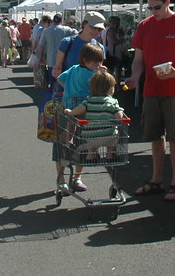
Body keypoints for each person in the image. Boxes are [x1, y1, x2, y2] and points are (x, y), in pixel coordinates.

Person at [126, 0, 175, 203]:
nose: (153, 12)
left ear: (168, 3)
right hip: (152, 90)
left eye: (157, 7)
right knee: (155, 137)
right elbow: (138, 60)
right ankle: (156, 179)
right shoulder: (144, 26)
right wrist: (134, 77)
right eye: (150, 8)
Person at [55, 42, 105, 193]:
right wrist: (103, 73)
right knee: (85, 139)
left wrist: (68, 89)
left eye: (100, 61)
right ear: (85, 60)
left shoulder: (74, 69)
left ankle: (63, 177)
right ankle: (78, 176)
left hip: (67, 106)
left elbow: (60, 78)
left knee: (66, 136)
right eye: (96, 62)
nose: (98, 64)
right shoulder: (93, 75)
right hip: (85, 109)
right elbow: (104, 88)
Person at [66, 68, 124, 162]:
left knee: (92, 142)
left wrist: (71, 112)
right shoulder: (113, 102)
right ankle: (109, 156)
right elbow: (119, 118)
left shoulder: (89, 100)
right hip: (108, 135)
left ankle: (90, 156)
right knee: (116, 135)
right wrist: (120, 112)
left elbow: (80, 109)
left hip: (90, 136)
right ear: (110, 89)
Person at [53, 11, 106, 81]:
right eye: (93, 27)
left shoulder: (100, 47)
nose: (96, 31)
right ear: (84, 24)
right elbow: (57, 70)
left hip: (88, 90)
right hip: (66, 89)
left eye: (99, 29)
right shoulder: (67, 42)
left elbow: (98, 70)